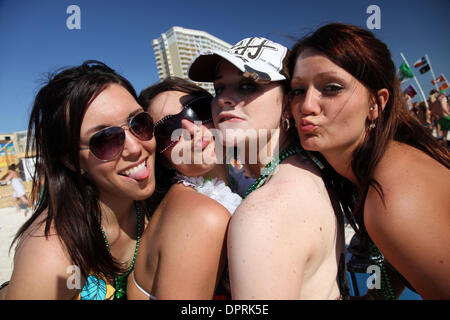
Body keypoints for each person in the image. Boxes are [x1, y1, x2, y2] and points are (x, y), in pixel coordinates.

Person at [288, 23, 450, 299]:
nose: (306, 106)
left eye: (332, 88)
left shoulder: (391, 198)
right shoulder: (382, 164)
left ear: (376, 103)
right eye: (298, 90)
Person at [188, 37, 348, 299]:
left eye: (248, 85)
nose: (225, 99)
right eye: (219, 89)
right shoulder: (307, 167)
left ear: (287, 103)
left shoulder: (266, 214)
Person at [0, 60, 156, 300]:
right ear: (71, 161)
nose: (135, 148)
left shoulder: (156, 205)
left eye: (139, 123)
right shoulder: (54, 253)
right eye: (105, 140)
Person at [127, 77, 241, 300]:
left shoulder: (233, 184)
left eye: (197, 109)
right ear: (165, 159)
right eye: (169, 129)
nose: (191, 128)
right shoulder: (202, 216)